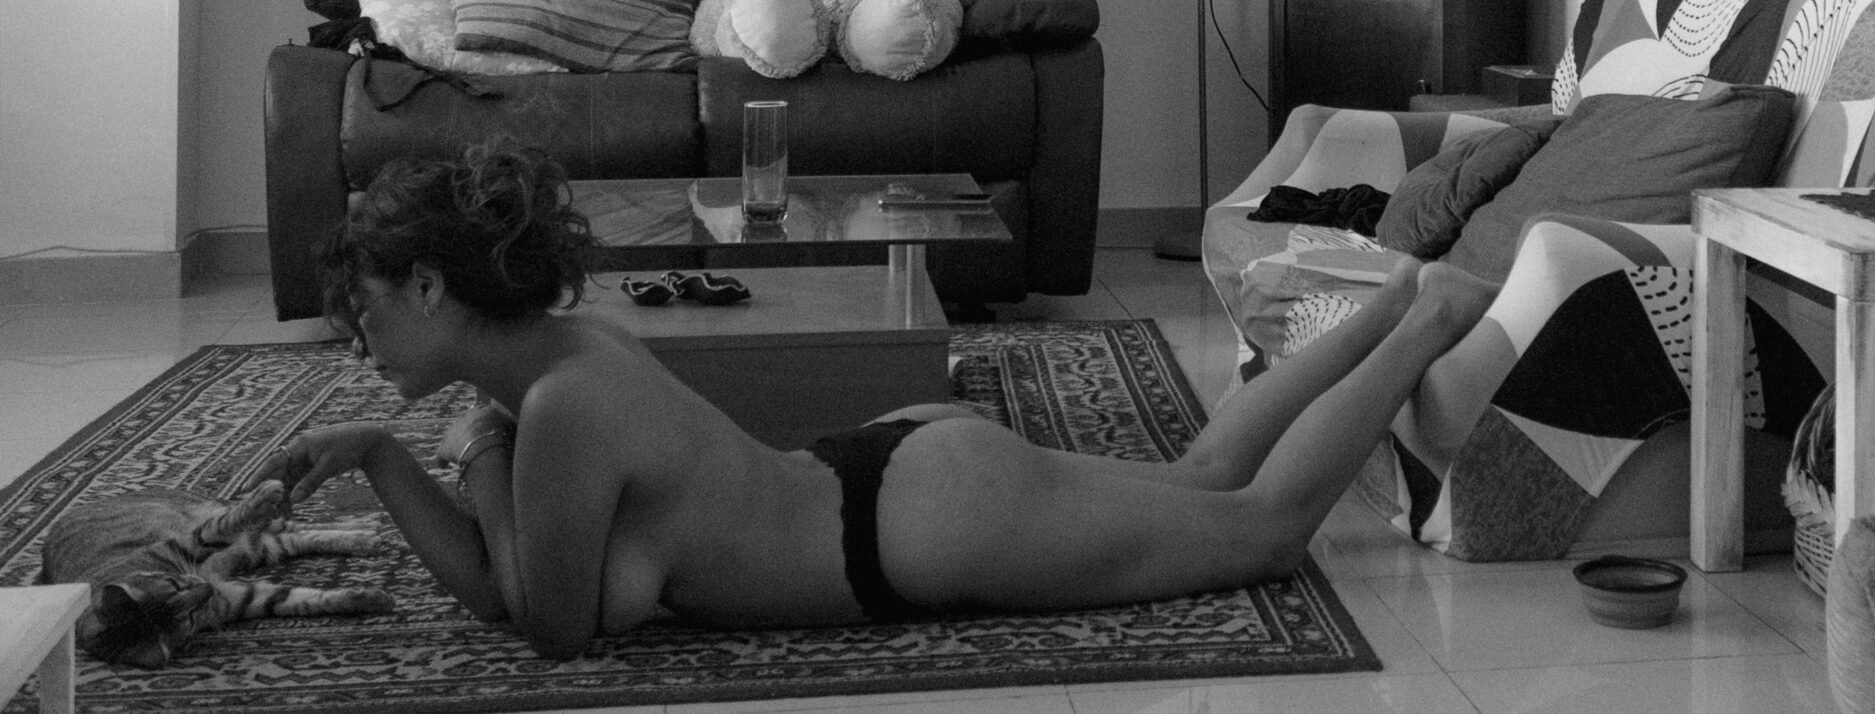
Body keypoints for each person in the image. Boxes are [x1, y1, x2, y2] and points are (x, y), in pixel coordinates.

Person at [245, 145, 1493, 659]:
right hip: (891, 481)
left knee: (1258, 526)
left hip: (920, 519)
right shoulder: (561, 359)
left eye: (367, 309)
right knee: (1208, 475)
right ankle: (1394, 298)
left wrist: (468, 447)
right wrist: (379, 452)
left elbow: (549, 623)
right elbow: (514, 574)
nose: (357, 338)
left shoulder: (556, 406)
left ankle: (1432, 314)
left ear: (431, 283)